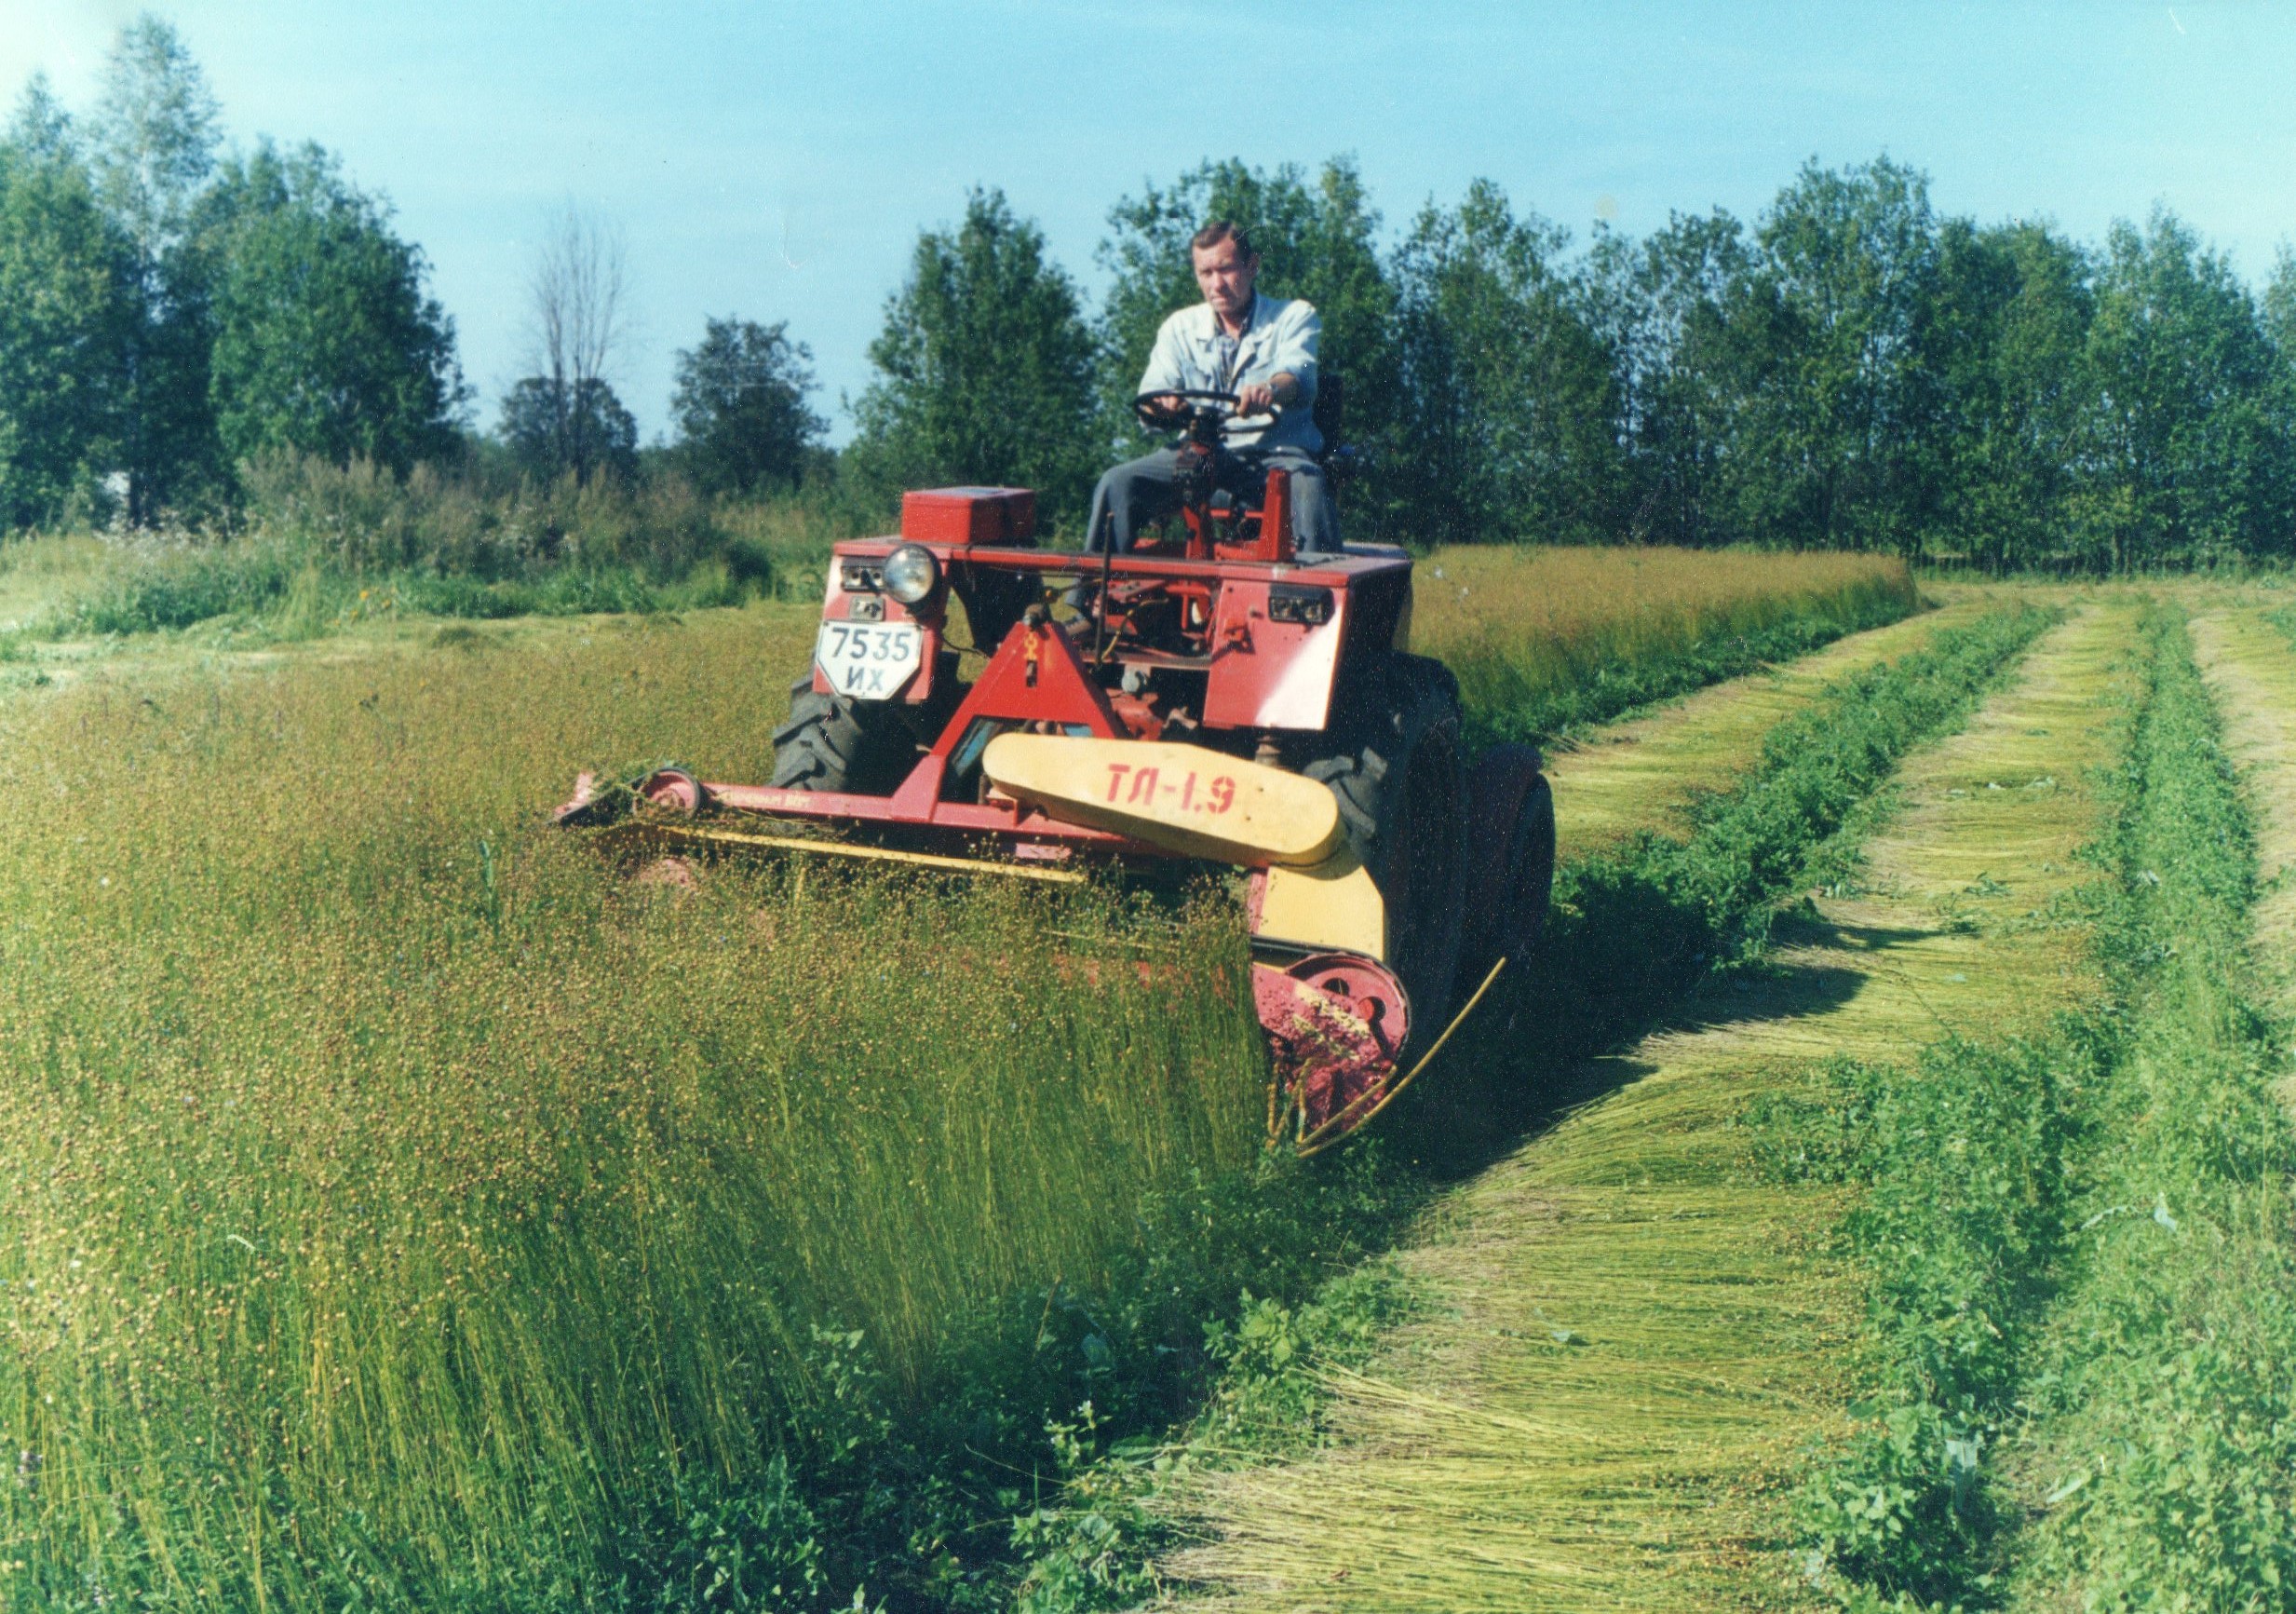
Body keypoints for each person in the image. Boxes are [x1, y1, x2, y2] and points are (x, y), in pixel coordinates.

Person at [1084, 222, 1341, 554]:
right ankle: (1091, 598)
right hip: (1198, 456)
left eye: (1225, 269)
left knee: (1307, 487)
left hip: (1274, 456)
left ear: (1252, 266)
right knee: (1117, 483)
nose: (1216, 284)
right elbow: (1152, 394)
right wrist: (1162, 405)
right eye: (1205, 273)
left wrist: (1270, 391)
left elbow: (1297, 376)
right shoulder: (1180, 328)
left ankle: (1317, 599)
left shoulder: (1294, 316)